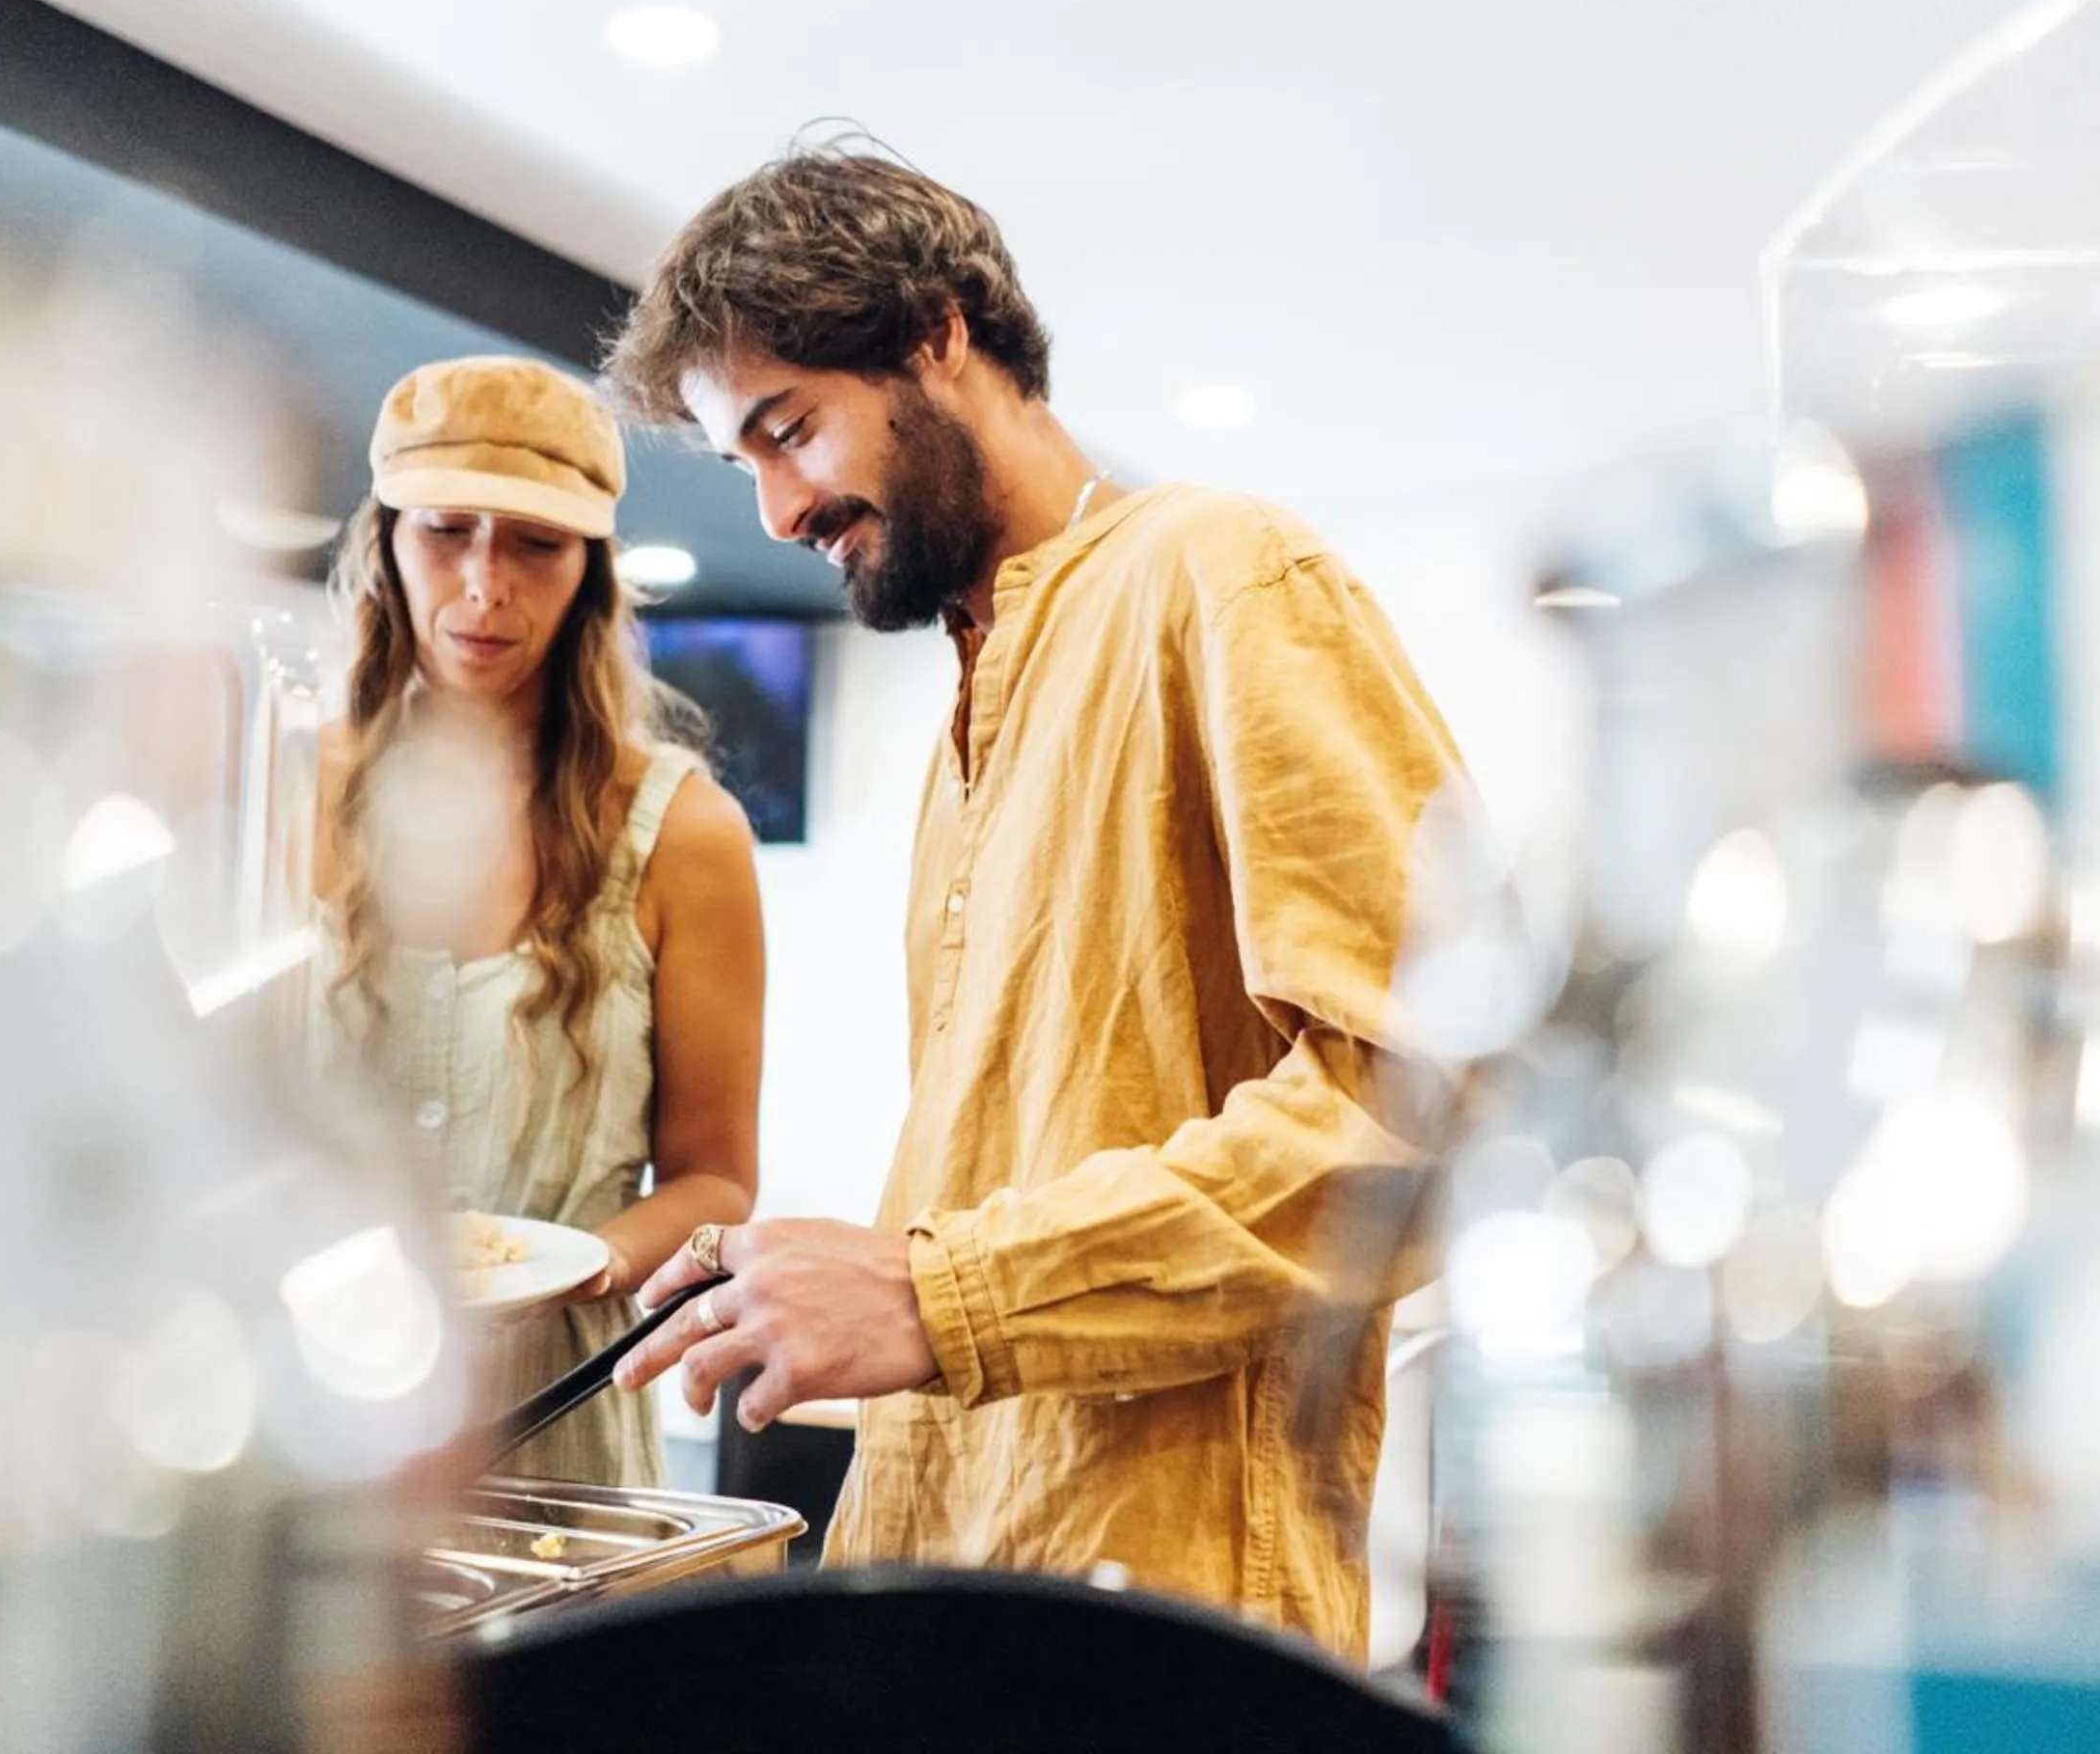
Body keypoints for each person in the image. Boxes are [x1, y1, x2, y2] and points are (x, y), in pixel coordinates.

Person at [601, 146, 1466, 1656]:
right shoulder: (967, 710)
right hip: (956, 1584)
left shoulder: (1224, 572)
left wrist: (941, 1298)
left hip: (1172, 1629)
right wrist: (846, 1278)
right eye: (746, 465)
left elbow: (1428, 1114)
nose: (781, 509)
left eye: (791, 430)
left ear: (940, 332)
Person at [314, 353, 764, 1488]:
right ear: (386, 541)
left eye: (535, 543)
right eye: (446, 531)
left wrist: (584, 1263)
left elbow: (716, 1182)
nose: (484, 584)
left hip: (551, 1428)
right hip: (314, 1417)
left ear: (591, 570)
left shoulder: (682, 832)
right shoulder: (286, 789)